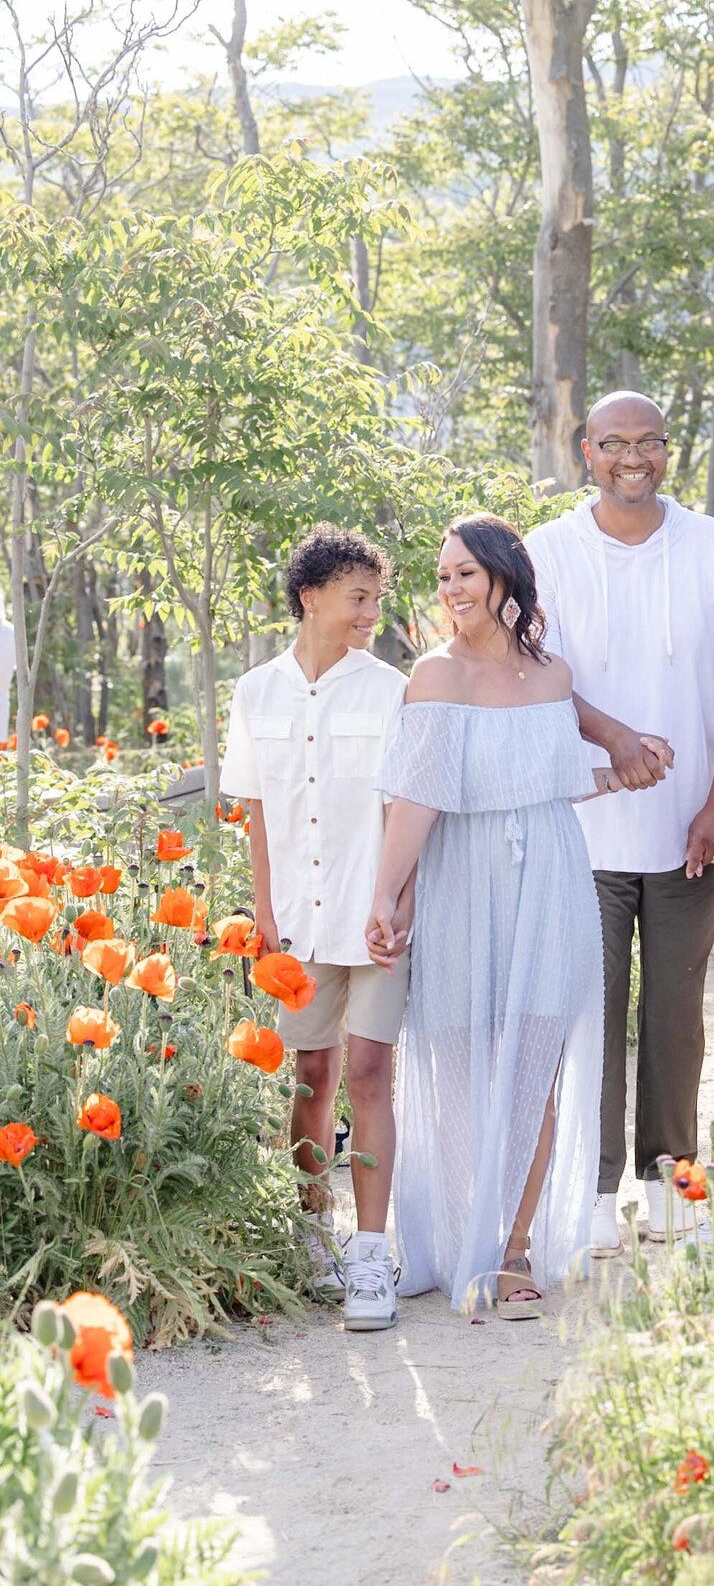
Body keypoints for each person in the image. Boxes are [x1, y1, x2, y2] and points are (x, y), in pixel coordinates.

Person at [366, 513, 639, 1317]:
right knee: (459, 1059)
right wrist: (387, 892)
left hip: (549, 873)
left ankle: (517, 1249)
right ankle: (465, 1238)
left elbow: (550, 778)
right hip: (463, 877)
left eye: (465, 574)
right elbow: (417, 799)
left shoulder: (552, 674)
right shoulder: (436, 676)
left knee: (535, 1063)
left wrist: (623, 773)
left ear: (504, 577)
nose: (451, 589)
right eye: (444, 575)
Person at [525, 391, 714, 1257]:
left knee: (675, 1013)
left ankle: (671, 1186)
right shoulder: (546, 551)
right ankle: (589, 1191)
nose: (634, 458)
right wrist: (616, 738)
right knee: (590, 1013)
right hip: (582, 825)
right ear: (585, 450)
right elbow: (535, 672)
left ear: (669, 449)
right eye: (614, 444)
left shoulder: (713, 546)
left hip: (688, 829)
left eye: (649, 443)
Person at [220, 524, 409, 1331]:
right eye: (357, 597)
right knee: (308, 1077)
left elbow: (403, 810)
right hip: (296, 920)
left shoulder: (391, 690)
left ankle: (370, 1256)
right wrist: (264, 912)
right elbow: (257, 812)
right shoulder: (255, 692)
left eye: (375, 597)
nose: (371, 612)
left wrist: (394, 902)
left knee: (368, 1072)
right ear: (311, 597)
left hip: (374, 920)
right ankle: (309, 1237)